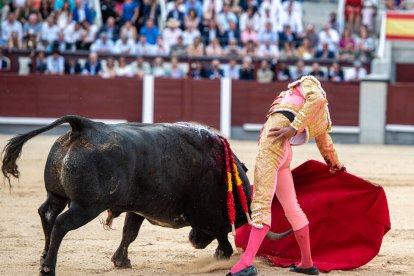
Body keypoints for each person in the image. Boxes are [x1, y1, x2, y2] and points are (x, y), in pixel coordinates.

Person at [228, 75, 344, 276]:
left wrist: (293, 127)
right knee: (292, 207)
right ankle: (307, 263)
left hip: (273, 145)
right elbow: (325, 144)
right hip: (284, 151)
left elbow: (315, 98)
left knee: (262, 203)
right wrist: (336, 164)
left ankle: (246, 262)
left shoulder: (309, 83)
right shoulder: (320, 116)